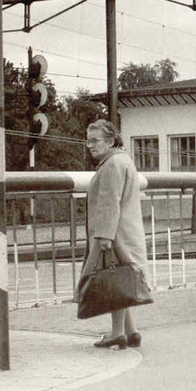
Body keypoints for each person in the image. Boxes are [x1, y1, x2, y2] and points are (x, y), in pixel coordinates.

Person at [78, 120, 149, 349]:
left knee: (114, 280)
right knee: (120, 280)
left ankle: (117, 334)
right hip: (125, 231)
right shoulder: (123, 160)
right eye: (88, 140)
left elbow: (110, 202)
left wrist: (104, 237)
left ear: (109, 141)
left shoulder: (111, 165)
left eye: (95, 140)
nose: (90, 145)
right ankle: (132, 331)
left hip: (115, 235)